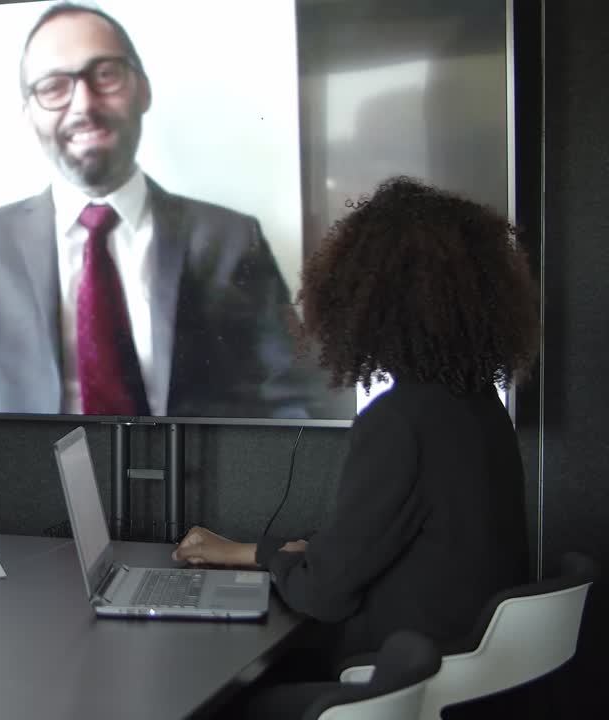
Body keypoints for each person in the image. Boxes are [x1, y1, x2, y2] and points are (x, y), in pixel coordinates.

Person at [172, 177, 539, 712]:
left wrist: (267, 556)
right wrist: (260, 552)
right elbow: (384, 541)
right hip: (460, 671)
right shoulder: (478, 404)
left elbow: (324, 594)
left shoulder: (400, 421)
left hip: (392, 682)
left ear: (363, 298)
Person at [0, 2, 340, 419]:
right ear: (29, 115)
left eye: (105, 75)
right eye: (53, 87)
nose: (83, 104)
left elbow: (298, 400)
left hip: (189, 500)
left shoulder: (231, 239)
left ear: (142, 90)